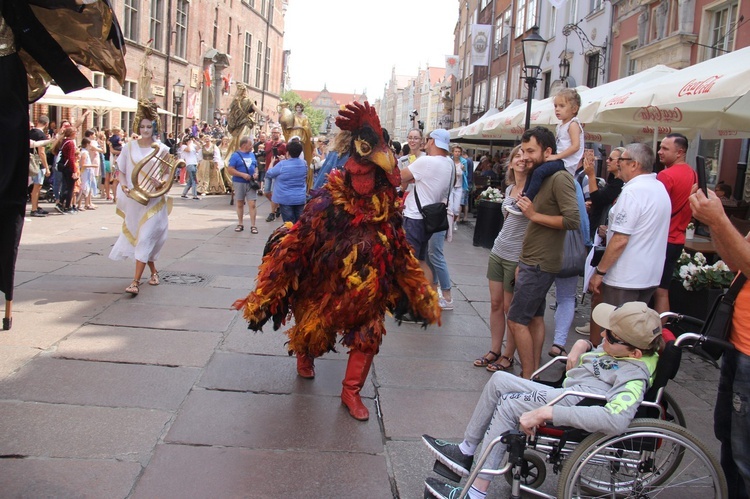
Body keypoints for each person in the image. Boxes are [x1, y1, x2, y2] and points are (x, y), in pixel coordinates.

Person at [423, 301, 664, 499]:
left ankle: (475, 493)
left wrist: (547, 414)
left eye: (610, 336)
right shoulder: (621, 347)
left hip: (573, 403)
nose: (603, 335)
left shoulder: (634, 376)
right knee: (498, 380)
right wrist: (583, 344)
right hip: (568, 390)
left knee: (510, 404)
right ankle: (466, 450)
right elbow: (600, 346)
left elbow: (615, 420)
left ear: (635, 353)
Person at [690, 187, 750, 498]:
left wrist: (720, 220)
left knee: (744, 452)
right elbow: (736, 264)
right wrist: (713, 222)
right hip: (738, 345)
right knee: (729, 439)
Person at [506, 127, 579, 378]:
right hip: (532, 258)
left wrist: (534, 215)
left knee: (516, 320)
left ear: (548, 152)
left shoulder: (560, 178)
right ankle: (533, 374)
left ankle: (527, 380)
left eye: (531, 151)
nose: (525, 156)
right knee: (534, 319)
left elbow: (573, 220)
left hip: (541, 262)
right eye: (523, 150)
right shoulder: (540, 175)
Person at [588, 143, 671, 345]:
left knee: (616, 333)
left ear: (634, 164)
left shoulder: (633, 192)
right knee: (633, 335)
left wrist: (600, 272)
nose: (618, 164)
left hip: (625, 277)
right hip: (648, 274)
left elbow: (620, 239)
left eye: (621, 160)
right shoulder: (659, 188)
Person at [109, 101, 172, 296]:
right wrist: (125, 185)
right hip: (135, 200)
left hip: (154, 201)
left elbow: (168, 174)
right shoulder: (129, 147)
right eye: (142, 126)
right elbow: (121, 170)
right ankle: (153, 271)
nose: (145, 130)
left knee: (146, 238)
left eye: (149, 127)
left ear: (155, 128)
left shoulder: (162, 149)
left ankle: (135, 282)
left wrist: (160, 181)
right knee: (141, 237)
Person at [474, 146, 527, 373]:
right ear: (511, 162)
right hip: (499, 250)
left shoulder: (534, 190)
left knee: (509, 308)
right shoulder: (510, 189)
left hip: (516, 256)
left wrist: (523, 260)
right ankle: (495, 349)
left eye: (526, 156)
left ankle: (508, 355)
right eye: (517, 155)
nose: (521, 160)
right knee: (495, 304)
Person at [506, 89, 583, 216]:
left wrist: (556, 156)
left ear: (574, 109)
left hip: (566, 162)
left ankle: (526, 201)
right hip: (560, 158)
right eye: (555, 106)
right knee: (533, 171)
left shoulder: (573, 124)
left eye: (562, 106)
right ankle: (523, 197)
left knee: (539, 171)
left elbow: (575, 147)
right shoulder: (561, 126)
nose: (557, 109)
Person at [400, 129, 454, 287]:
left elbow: (400, 176)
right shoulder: (448, 163)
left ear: (432, 141)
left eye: (427, 139)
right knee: (422, 261)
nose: (425, 142)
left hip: (415, 218)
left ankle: (414, 300)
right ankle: (429, 299)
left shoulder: (427, 161)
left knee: (408, 262)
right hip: (427, 219)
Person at [654, 134, 697, 317]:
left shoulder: (665, 175)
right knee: (663, 289)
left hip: (661, 239)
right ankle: (661, 332)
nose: (659, 152)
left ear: (680, 152)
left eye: (665, 148)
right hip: (677, 240)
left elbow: (654, 210)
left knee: (652, 290)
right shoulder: (693, 173)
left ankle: (653, 334)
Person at [264, 140, 307, 224]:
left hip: (285, 198)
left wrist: (272, 162)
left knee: (289, 225)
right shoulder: (304, 163)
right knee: (299, 224)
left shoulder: (282, 164)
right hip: (300, 198)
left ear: (287, 152)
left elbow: (269, 173)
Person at [226, 136, 260, 233]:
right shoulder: (235, 156)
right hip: (239, 182)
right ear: (244, 145)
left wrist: (256, 173)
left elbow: (255, 166)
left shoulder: (252, 155)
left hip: (251, 182)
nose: (251, 146)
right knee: (240, 203)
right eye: (250, 145)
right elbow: (230, 169)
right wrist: (242, 175)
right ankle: (240, 223)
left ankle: (253, 225)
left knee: (252, 203)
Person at [29, 116, 50, 218]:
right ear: (46, 124)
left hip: (29, 162)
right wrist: (47, 167)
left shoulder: (30, 132)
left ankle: (36, 206)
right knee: (37, 186)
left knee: (34, 186)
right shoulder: (41, 135)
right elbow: (42, 152)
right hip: (37, 163)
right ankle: (34, 209)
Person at [264, 127, 285, 221]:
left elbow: (287, 157)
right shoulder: (268, 144)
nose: (274, 134)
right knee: (266, 192)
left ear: (280, 134)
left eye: (276, 133)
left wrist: (282, 158)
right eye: (273, 132)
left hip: (277, 171)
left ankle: (272, 212)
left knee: (273, 192)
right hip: (268, 169)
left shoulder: (284, 145)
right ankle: (279, 205)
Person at [179, 136, 199, 200]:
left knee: (190, 180)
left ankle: (184, 194)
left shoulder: (192, 146)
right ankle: (194, 195)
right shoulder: (183, 146)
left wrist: (195, 141)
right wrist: (189, 144)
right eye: (189, 140)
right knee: (194, 179)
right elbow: (188, 150)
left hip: (195, 163)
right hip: (189, 164)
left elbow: (199, 148)